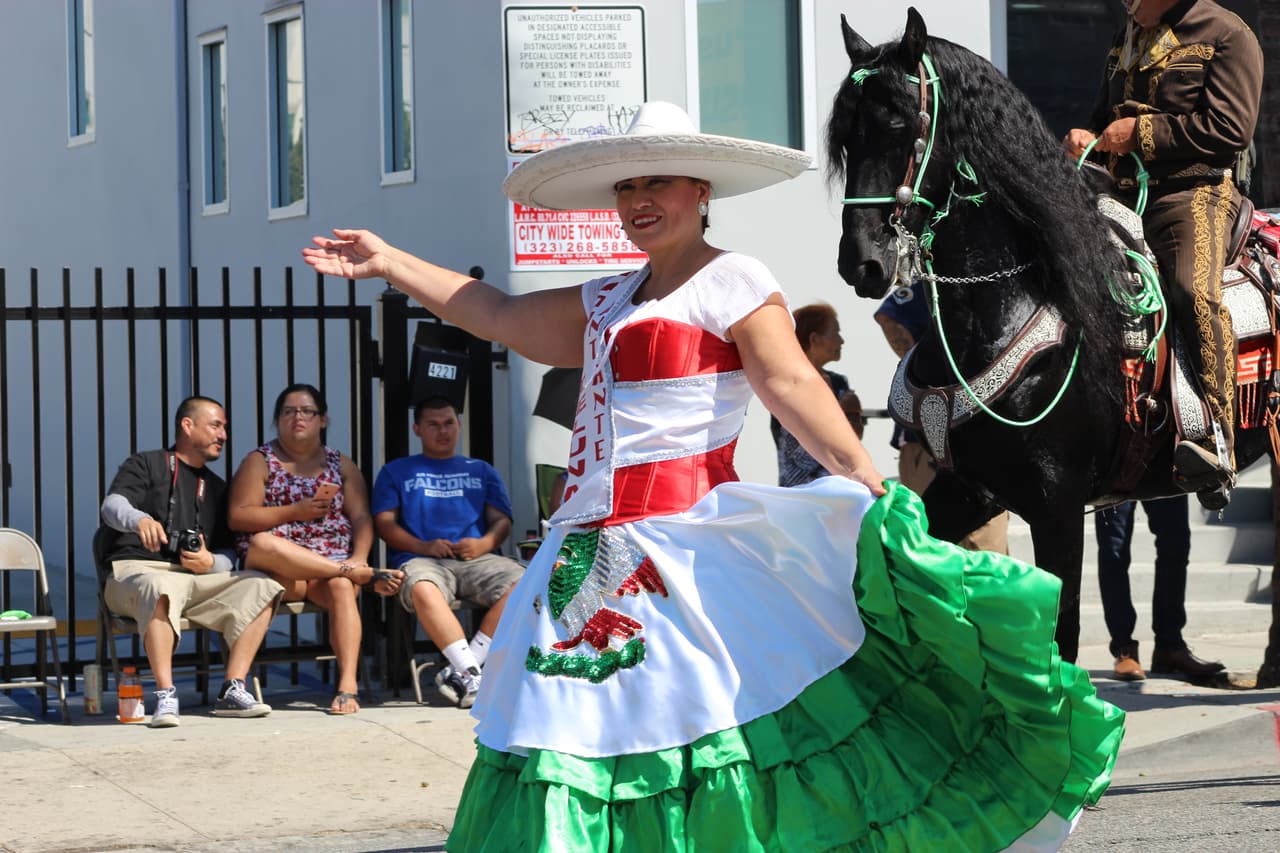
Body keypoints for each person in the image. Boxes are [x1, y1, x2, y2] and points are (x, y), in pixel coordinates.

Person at [304, 101, 1122, 850]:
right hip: (579, 556)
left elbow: (791, 384)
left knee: (693, 730)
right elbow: (500, 316)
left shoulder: (732, 278)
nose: (637, 200)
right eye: (626, 186)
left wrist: (866, 477)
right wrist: (390, 261)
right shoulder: (606, 298)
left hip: (684, 547)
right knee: (564, 736)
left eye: (655, 181)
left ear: (699, 189)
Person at [1064, 0, 1264, 509]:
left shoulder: (1228, 35)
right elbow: (1105, 116)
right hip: (1122, 193)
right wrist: (1089, 135)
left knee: (1190, 288)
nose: (1127, 4)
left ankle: (1216, 439)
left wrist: (1140, 134)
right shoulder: (1124, 35)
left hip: (1193, 194)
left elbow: (1230, 130)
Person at [99, 396, 280, 727]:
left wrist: (210, 562)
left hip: (193, 578)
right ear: (187, 425)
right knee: (159, 585)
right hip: (136, 573)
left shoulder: (217, 487)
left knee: (263, 585)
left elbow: (229, 554)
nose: (223, 435)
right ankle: (166, 695)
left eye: (224, 428)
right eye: (216, 425)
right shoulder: (147, 463)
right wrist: (138, 520)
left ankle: (233, 687)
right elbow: (112, 505)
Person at [228, 383, 397, 715]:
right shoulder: (260, 461)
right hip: (278, 569)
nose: (298, 418)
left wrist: (359, 557)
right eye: (289, 412)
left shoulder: (340, 464)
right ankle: (357, 575)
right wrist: (295, 511)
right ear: (277, 420)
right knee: (264, 543)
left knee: (341, 587)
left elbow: (362, 516)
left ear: (323, 419)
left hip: (327, 566)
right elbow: (238, 517)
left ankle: (348, 687)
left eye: (307, 411)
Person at [372, 396, 524, 709]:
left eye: (449, 423)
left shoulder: (481, 470)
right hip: (421, 559)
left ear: (459, 425)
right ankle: (471, 672)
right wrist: (423, 546)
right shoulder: (396, 471)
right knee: (424, 590)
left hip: (477, 559)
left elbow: (502, 521)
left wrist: (483, 543)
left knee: (526, 582)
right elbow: (384, 524)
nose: (443, 431)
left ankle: (465, 672)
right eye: (433, 424)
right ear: (417, 429)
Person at [874, 281, 1011, 553]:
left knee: (985, 557)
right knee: (940, 554)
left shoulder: (991, 286)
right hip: (931, 449)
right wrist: (924, 361)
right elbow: (890, 313)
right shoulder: (935, 287)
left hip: (980, 443)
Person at [1095, 495, 1224, 681]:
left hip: (1164, 468)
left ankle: (1169, 647)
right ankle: (1124, 650)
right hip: (1115, 470)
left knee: (1176, 544)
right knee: (1114, 551)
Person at [769, 302, 865, 486]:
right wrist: (839, 415)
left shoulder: (839, 384)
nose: (841, 341)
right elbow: (801, 456)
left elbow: (851, 443)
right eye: (835, 332)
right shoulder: (789, 383)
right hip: (802, 493)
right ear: (814, 339)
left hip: (840, 488)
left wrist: (853, 419)